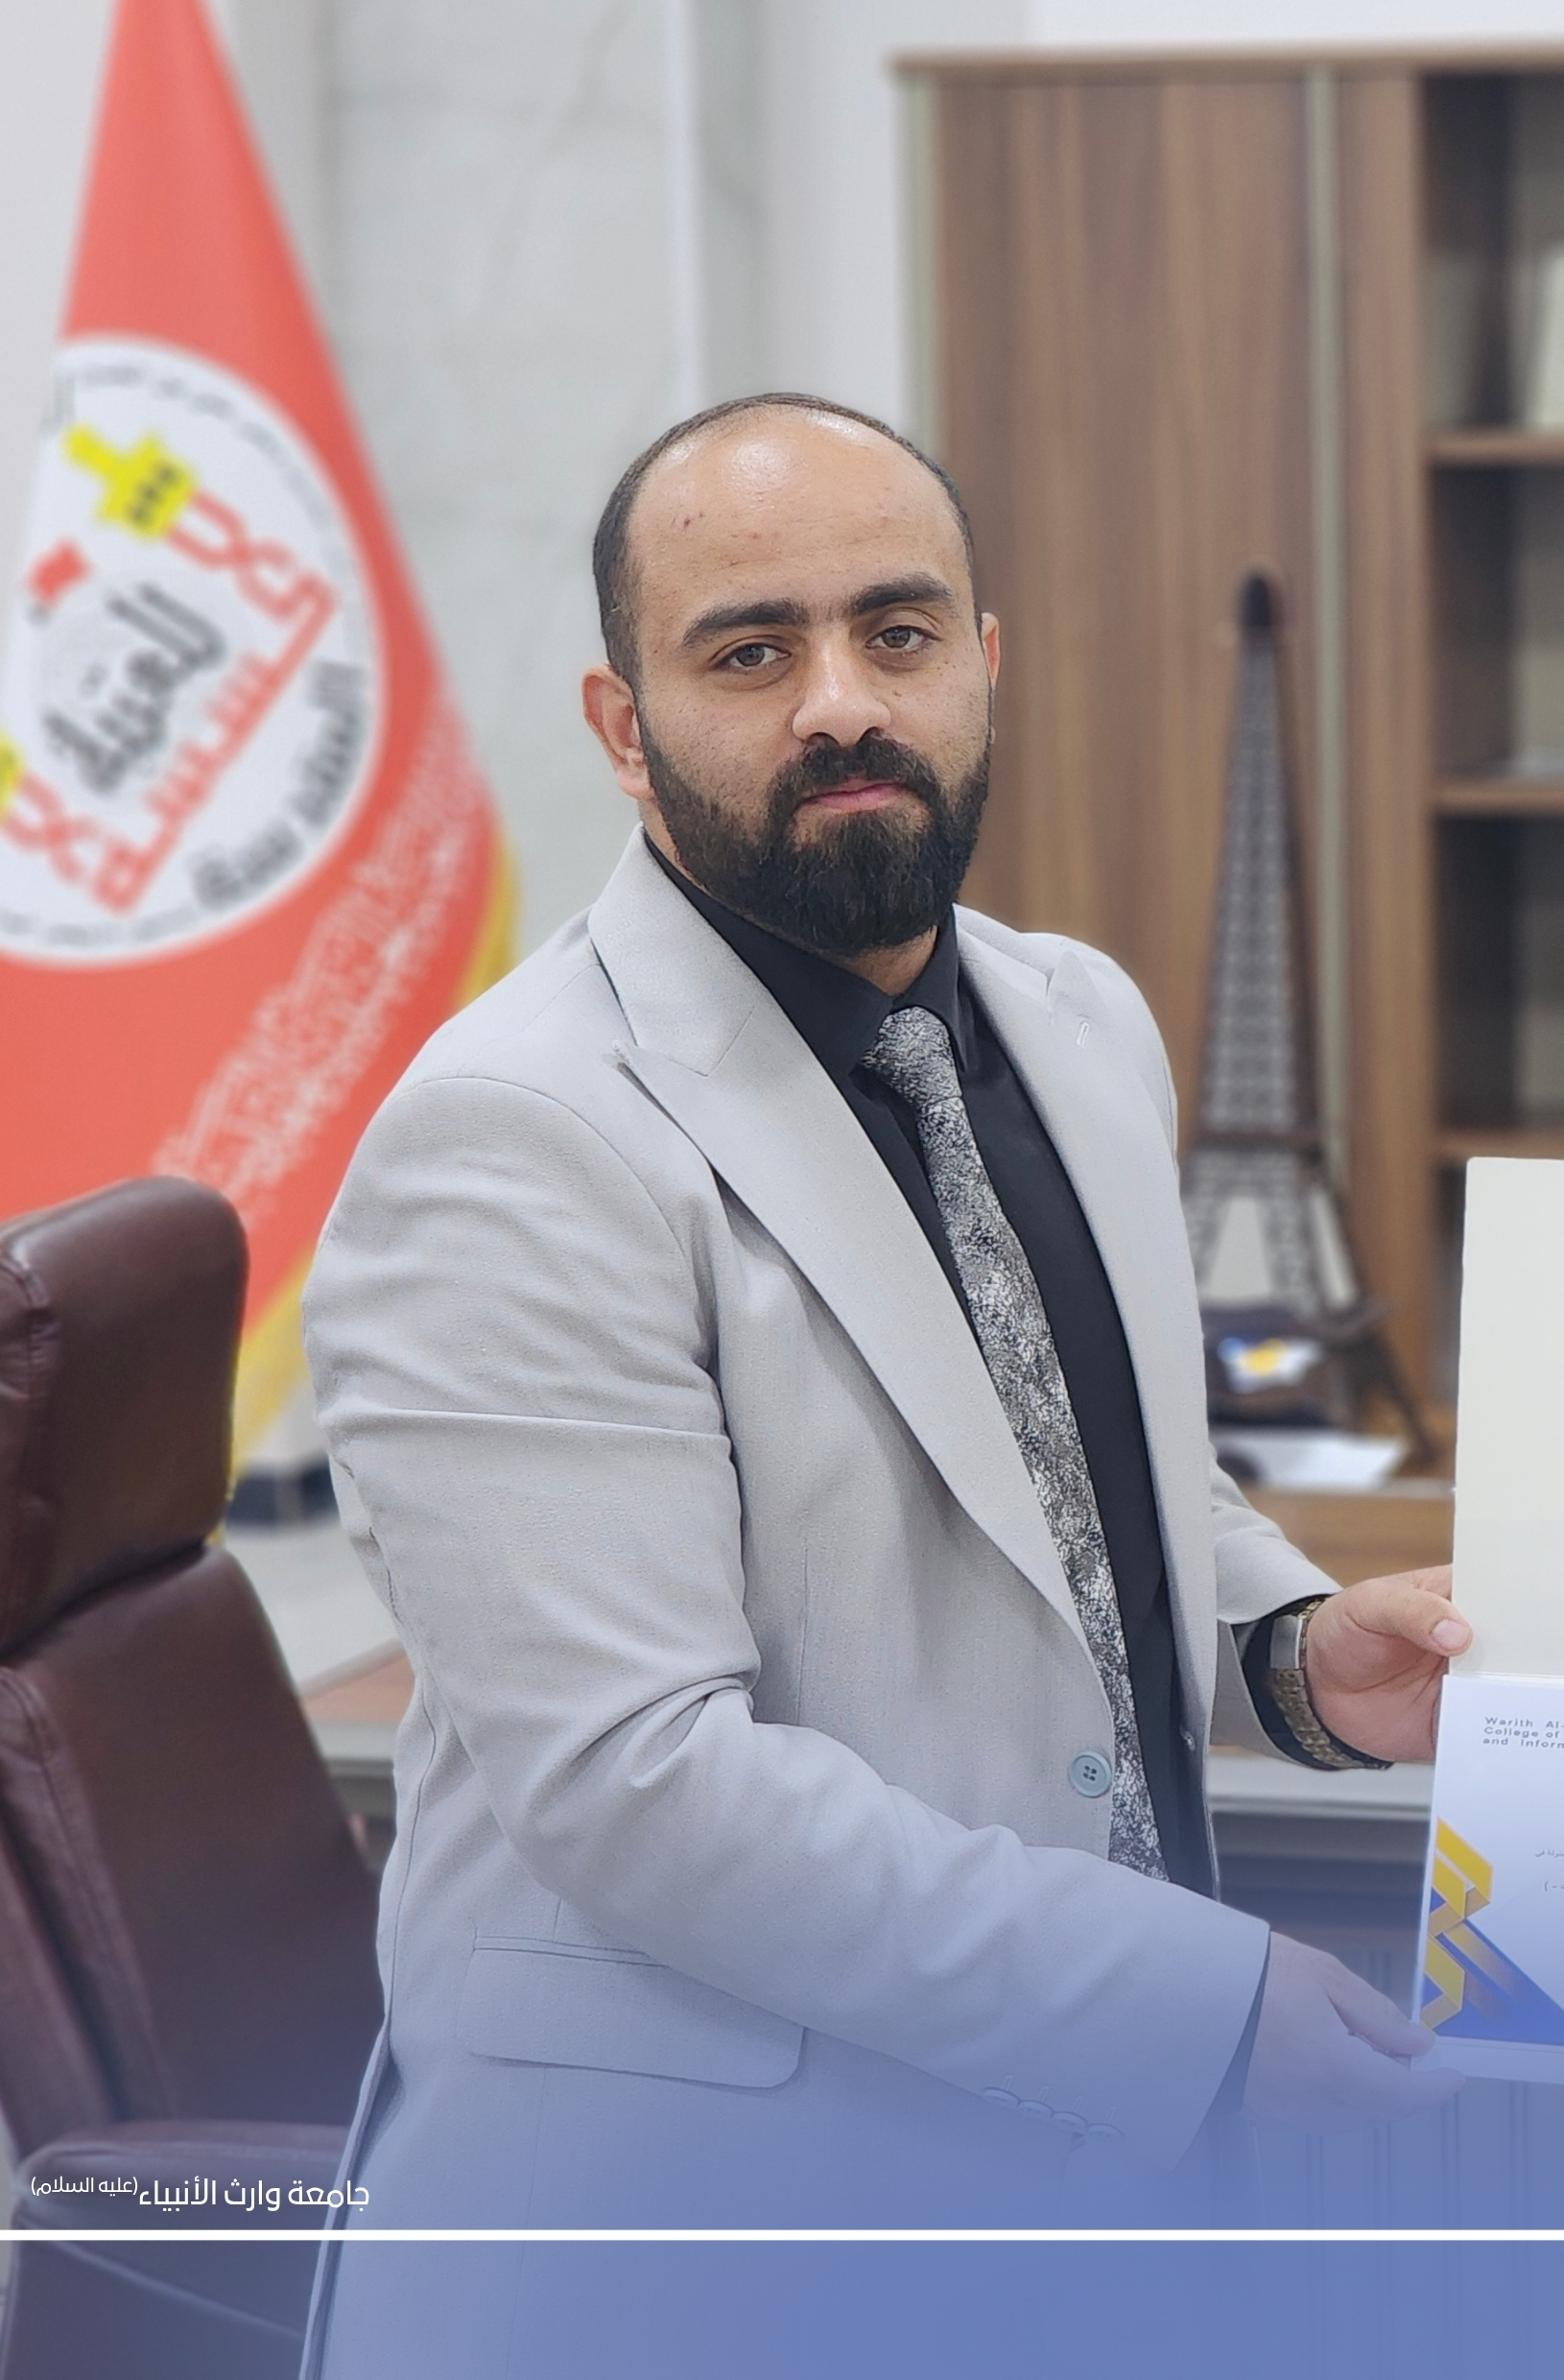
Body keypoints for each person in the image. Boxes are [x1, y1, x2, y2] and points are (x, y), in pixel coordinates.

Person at [298, 394, 1460, 2370]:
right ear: (622, 726)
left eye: (897, 632)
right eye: (751, 651)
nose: (843, 702)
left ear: (982, 665)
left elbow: (1076, 1468)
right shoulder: (513, 1140)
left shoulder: (1075, 1021)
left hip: (1086, 2194)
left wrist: (1288, 1651)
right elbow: (641, 1786)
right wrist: (1183, 2000)